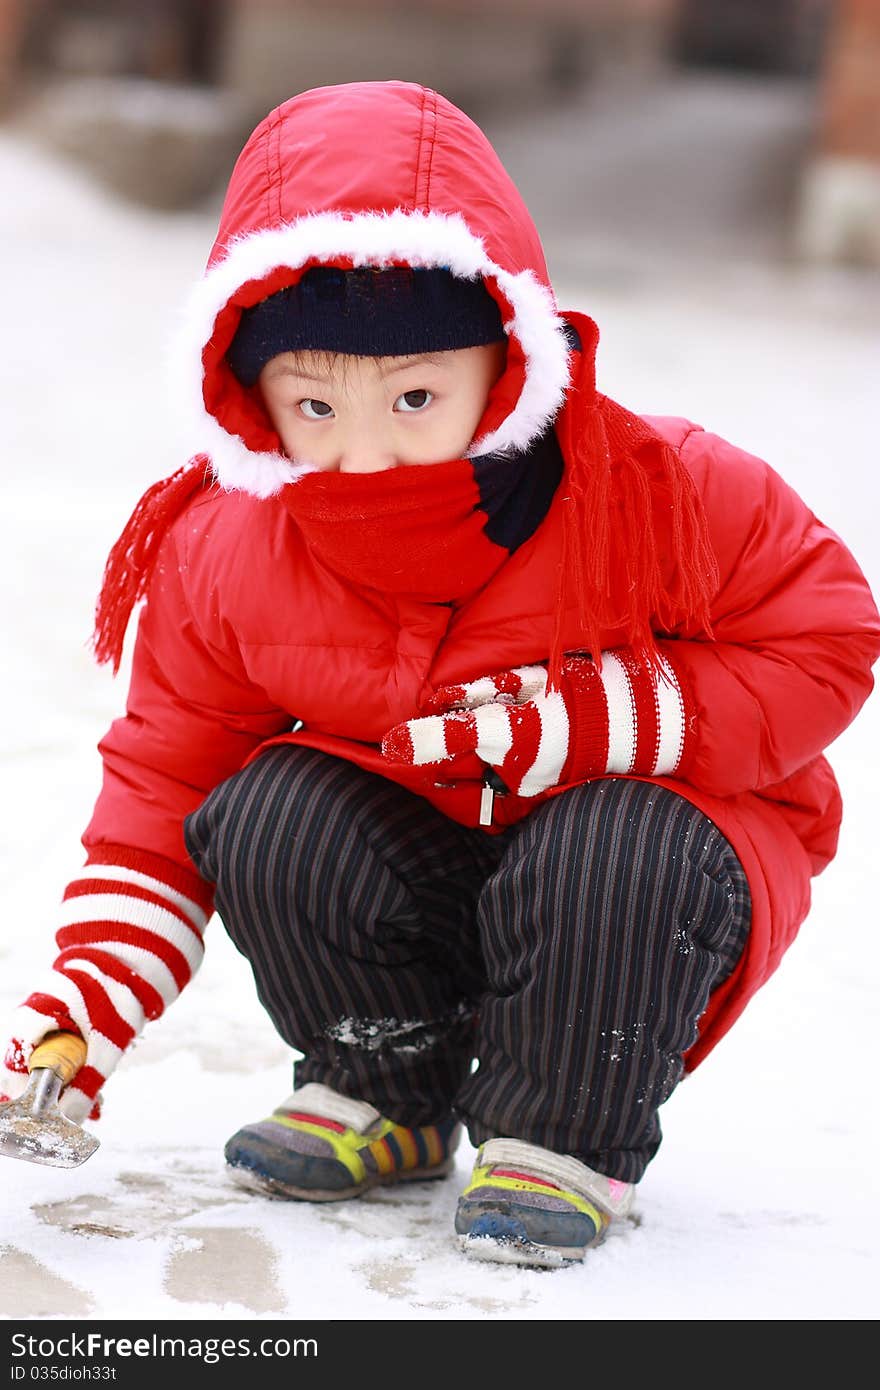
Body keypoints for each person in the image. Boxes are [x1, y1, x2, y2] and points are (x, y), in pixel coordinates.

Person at [2, 79, 879, 1271]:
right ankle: (385, 1085)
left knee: (611, 846)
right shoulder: (230, 543)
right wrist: (86, 1003)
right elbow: (165, 780)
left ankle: (556, 1132)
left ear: (505, 359)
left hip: (639, 856)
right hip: (429, 835)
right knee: (264, 810)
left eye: (416, 397)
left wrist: (618, 718)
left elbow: (825, 635)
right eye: (313, 403)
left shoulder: (659, 487)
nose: (366, 451)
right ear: (246, 395)